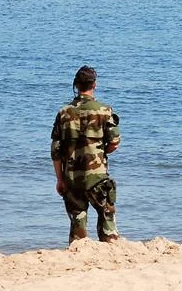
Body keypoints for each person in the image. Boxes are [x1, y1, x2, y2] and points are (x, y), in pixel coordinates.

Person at [51, 65, 121, 243]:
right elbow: (114, 142)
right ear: (94, 85)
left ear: (76, 85)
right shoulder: (104, 111)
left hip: (72, 177)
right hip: (97, 177)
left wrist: (59, 179)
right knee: (106, 215)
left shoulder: (63, 113)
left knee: (77, 220)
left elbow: (56, 151)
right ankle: (110, 246)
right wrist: (99, 152)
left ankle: (78, 250)